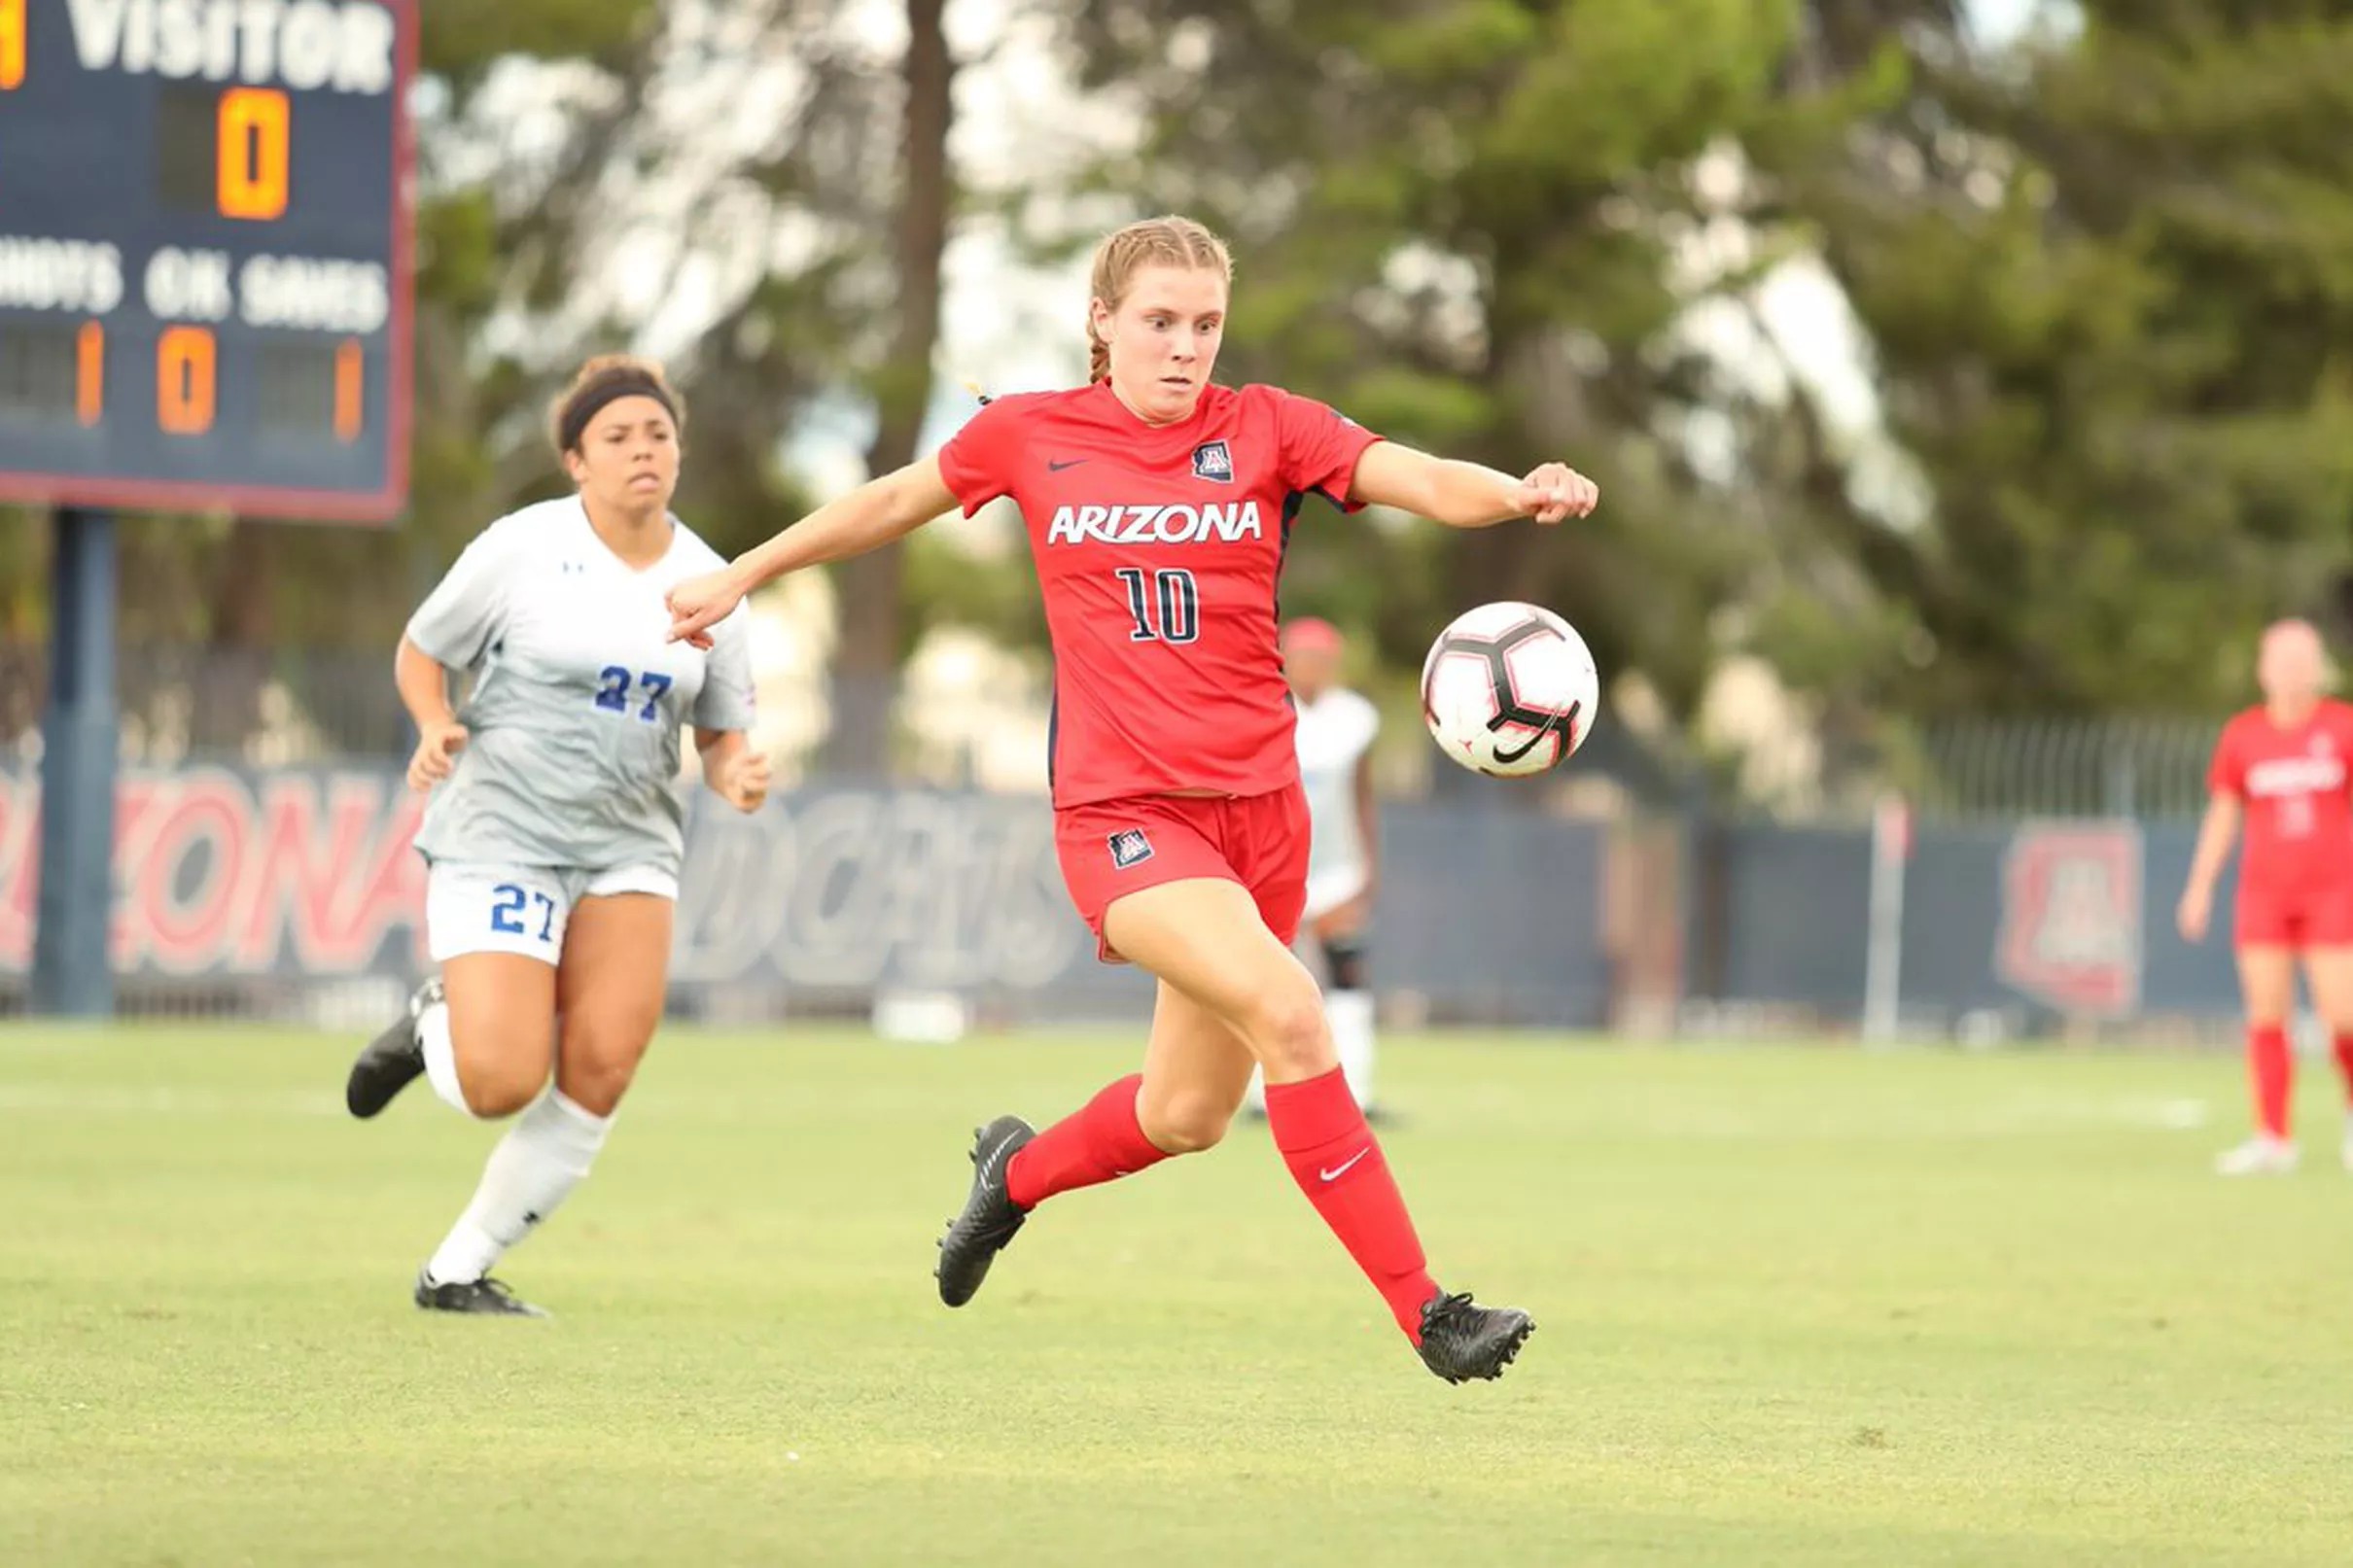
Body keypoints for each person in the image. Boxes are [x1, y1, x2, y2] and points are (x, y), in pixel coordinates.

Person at [666, 215, 1598, 1381]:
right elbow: (887, 503)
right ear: (1100, 322)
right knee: (1297, 1016)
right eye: (1158, 320)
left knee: (1187, 1114)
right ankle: (1429, 1313)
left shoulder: (1266, 427)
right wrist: (743, 573)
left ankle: (1009, 1176)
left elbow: (1409, 473)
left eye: (1203, 324)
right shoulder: (1030, 433)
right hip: (1123, 819)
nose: (1184, 346)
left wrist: (1513, 493)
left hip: (1261, 819)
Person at [342, 355, 769, 1315]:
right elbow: (424, 649)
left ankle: (456, 1270)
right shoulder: (521, 547)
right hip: (506, 828)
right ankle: (429, 1023)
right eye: (616, 437)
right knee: (499, 1077)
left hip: (629, 844)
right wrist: (431, 721)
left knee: (603, 1066)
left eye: (656, 433)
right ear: (576, 460)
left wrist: (737, 765)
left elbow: (723, 725)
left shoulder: (711, 577)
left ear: (679, 449)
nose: (641, 450)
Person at [2177, 617, 2353, 1175]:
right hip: (2264, 896)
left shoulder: (2343, 727)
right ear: (2262, 670)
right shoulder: (2243, 736)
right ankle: (2274, 1137)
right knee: (2266, 1014)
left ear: (2318, 668)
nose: (2290, 673)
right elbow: (2224, 814)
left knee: (2343, 1014)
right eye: (2280, 662)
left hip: (2333, 891)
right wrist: (2200, 885)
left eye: (2301, 662)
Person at [1244, 616, 1384, 1117]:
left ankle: (1359, 1089)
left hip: (1336, 868)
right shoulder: (1265, 710)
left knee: (1348, 971)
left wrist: (1368, 866)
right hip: (1277, 866)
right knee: (1273, 978)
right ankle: (1265, 1091)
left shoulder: (1355, 719)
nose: (1312, 668)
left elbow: (1362, 796)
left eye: (1322, 659)